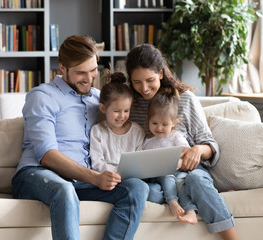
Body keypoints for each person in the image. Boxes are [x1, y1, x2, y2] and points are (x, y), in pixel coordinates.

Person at [11, 35, 149, 240]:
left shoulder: (98, 99)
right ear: (62, 69)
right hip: (38, 174)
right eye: (80, 73)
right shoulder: (42, 96)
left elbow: (126, 118)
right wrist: (95, 178)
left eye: (93, 70)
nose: (89, 77)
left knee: (137, 188)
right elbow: (46, 155)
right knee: (64, 189)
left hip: (80, 182)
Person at [127, 44, 239, 240]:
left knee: (196, 180)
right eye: (137, 82)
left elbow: (210, 146)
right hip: (155, 178)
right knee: (148, 192)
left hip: (188, 172)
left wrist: (197, 150)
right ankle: (190, 198)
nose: (144, 88)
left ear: (161, 73)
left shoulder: (185, 100)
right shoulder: (131, 105)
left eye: (150, 80)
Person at [142, 88, 197, 224]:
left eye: (164, 124)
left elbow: (187, 153)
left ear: (174, 123)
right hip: (155, 177)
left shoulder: (176, 137)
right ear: (147, 120)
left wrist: (178, 161)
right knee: (153, 189)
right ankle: (170, 198)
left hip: (174, 173)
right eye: (154, 123)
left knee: (180, 185)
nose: (159, 128)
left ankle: (184, 207)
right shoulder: (147, 141)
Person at [90, 71, 145, 174]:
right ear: (103, 108)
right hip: (108, 178)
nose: (122, 116)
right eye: (116, 111)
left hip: (131, 177)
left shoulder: (136, 131)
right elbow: (97, 164)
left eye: (126, 111)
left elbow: (140, 161)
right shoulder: (97, 131)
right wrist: (118, 172)